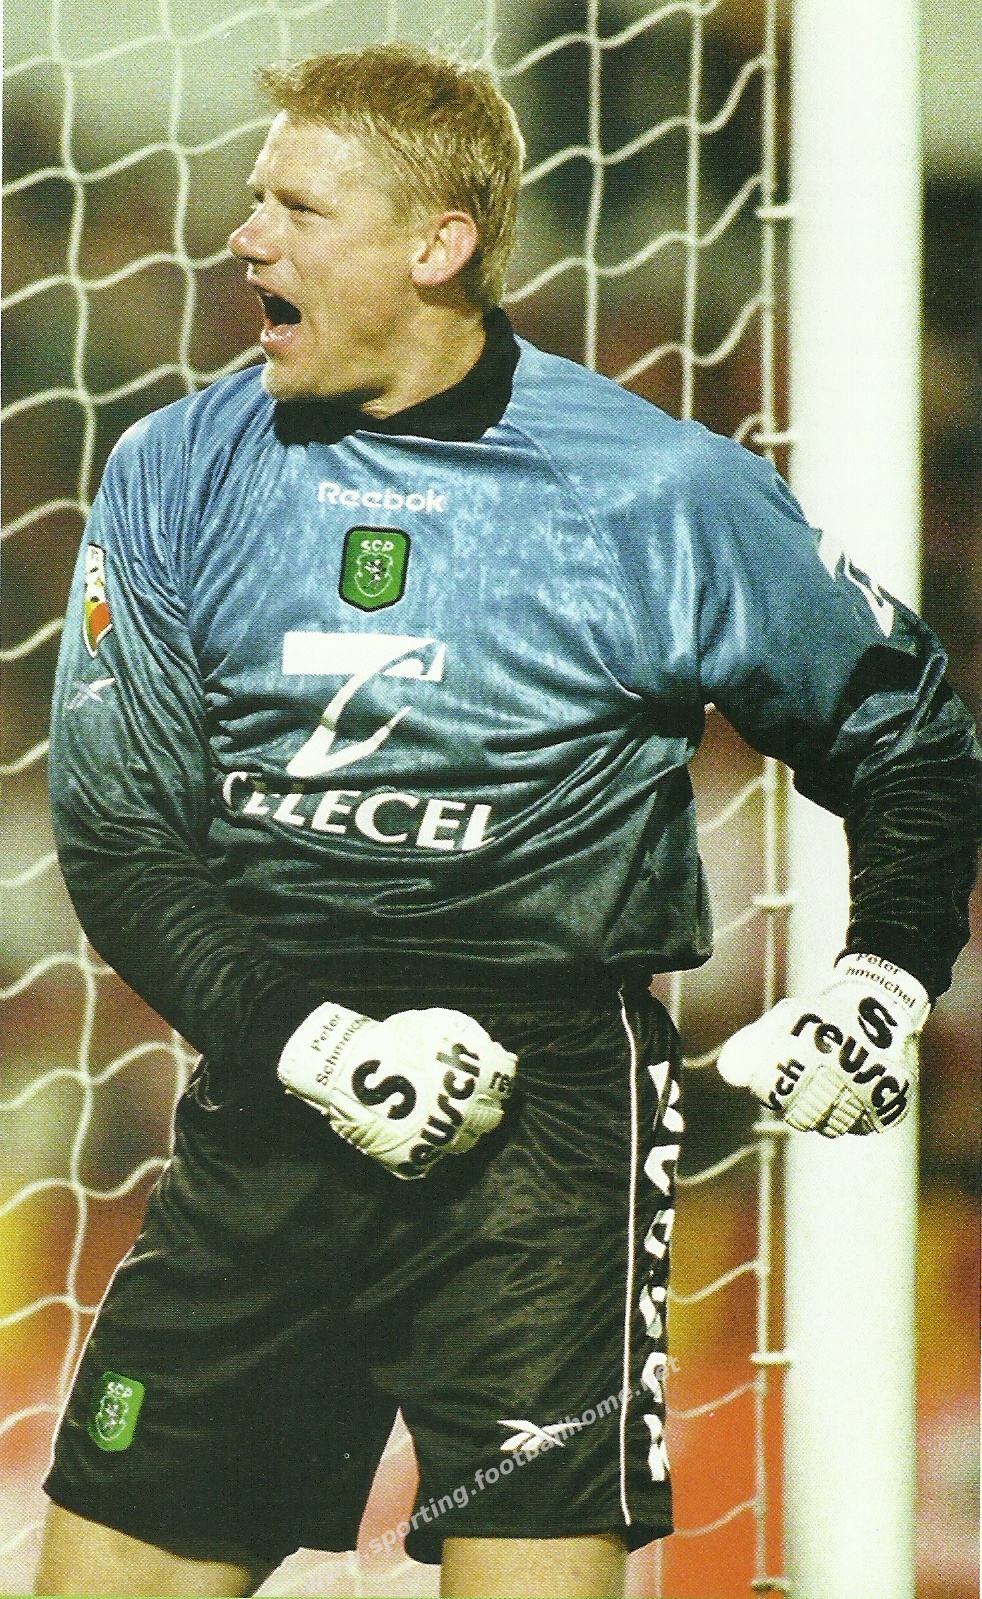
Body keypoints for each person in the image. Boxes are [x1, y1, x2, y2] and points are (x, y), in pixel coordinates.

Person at [38, 39, 981, 1599]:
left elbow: (909, 734)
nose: (246, 238)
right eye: (253, 199)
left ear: (438, 245)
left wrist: (883, 974)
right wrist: (314, 1044)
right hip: (275, 1079)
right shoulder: (175, 472)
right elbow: (120, 834)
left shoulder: (653, 491)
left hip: (544, 1137)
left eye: (297, 208)